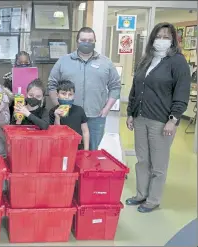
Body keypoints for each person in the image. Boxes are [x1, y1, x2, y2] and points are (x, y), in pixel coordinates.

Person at [125, 22, 191, 213]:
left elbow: (181, 92)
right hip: (140, 118)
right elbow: (135, 88)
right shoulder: (146, 60)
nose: (161, 40)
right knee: (142, 159)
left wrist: (173, 119)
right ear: (152, 38)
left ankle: (153, 200)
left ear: (173, 40)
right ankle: (141, 194)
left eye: (166, 37)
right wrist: (130, 112)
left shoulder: (177, 62)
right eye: (158, 36)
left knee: (158, 163)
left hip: (162, 121)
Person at [47, 27, 121, 150]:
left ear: (95, 41)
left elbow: (115, 86)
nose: (86, 43)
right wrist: (57, 105)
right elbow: (51, 84)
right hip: (68, 116)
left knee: (91, 151)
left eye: (90, 40)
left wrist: (107, 108)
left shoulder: (106, 63)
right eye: (83, 40)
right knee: (66, 150)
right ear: (77, 41)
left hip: (95, 117)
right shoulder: (63, 61)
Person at [49, 80, 90, 150]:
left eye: (70, 94)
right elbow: (55, 133)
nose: (67, 97)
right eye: (63, 94)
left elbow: (85, 131)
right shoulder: (53, 111)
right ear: (57, 95)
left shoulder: (79, 110)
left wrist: (86, 150)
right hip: (60, 147)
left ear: (73, 95)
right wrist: (57, 117)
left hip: (77, 146)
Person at [3, 51, 32, 116]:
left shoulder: (34, 78)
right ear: (16, 63)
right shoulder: (8, 79)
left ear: (30, 63)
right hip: (13, 113)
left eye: (26, 62)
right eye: (20, 63)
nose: (23, 64)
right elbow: (5, 102)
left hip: (31, 113)